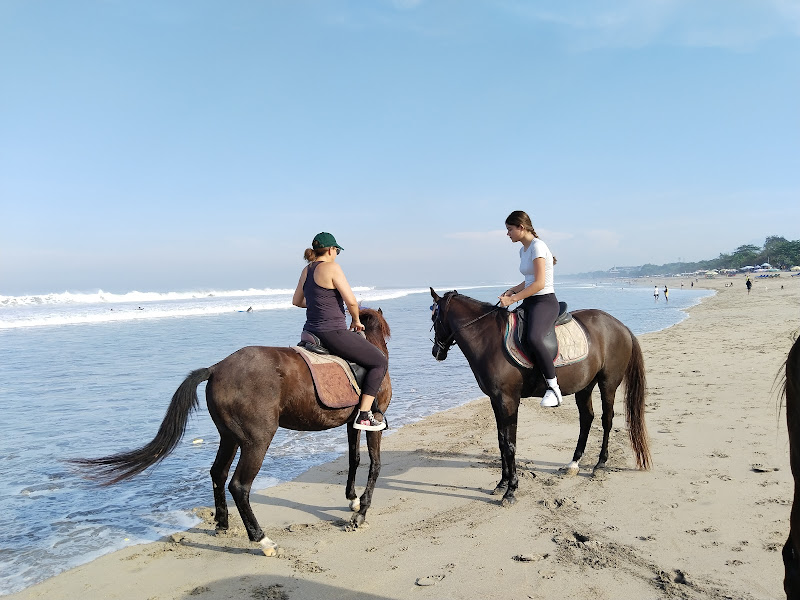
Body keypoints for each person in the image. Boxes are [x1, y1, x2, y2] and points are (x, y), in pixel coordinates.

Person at [292, 232, 388, 431]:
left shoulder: (307, 270)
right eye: (336, 250)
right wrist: (355, 320)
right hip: (332, 332)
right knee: (379, 361)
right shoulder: (332, 267)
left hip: (310, 332)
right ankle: (364, 415)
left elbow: (297, 301)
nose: (336, 254)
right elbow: (351, 301)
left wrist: (319, 304)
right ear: (330, 250)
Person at [498, 211, 562, 408]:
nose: (507, 234)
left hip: (545, 302)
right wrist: (512, 290)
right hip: (530, 300)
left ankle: (553, 387)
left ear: (521, 228)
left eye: (509, 229)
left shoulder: (537, 247)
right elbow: (529, 280)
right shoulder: (523, 250)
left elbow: (540, 283)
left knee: (534, 337)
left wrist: (514, 299)